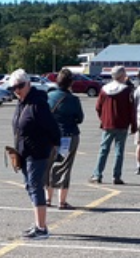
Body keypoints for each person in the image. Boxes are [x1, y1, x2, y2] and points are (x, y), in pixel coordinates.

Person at [7, 68, 58, 237]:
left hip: (37, 152)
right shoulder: (22, 103)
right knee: (30, 186)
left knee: (35, 187)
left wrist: (52, 146)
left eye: (20, 86)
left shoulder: (37, 103)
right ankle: (38, 223)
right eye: (13, 88)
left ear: (28, 84)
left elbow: (52, 128)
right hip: (23, 152)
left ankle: (41, 228)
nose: (17, 90)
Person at [90, 65, 137, 184]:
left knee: (103, 150)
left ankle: (97, 174)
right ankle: (116, 176)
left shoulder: (104, 89)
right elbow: (131, 109)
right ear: (122, 75)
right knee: (119, 151)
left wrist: (103, 119)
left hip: (107, 124)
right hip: (122, 124)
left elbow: (98, 107)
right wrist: (133, 125)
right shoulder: (126, 90)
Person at [47, 68, 86, 208]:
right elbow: (79, 118)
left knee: (48, 165)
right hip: (68, 135)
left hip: (50, 135)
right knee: (64, 167)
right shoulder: (73, 99)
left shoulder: (49, 96)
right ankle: (62, 201)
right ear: (71, 83)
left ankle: (47, 199)